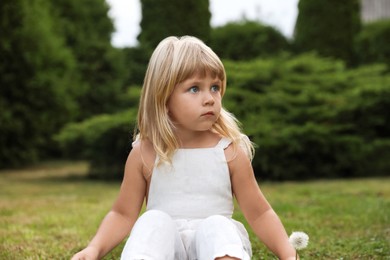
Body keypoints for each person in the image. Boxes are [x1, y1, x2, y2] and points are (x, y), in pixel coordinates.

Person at [71, 36, 297, 260]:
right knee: (152, 221)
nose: (210, 98)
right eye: (194, 89)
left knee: (217, 225)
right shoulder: (145, 152)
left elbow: (260, 213)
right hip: (168, 250)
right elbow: (122, 214)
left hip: (215, 249)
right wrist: (95, 249)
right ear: (164, 97)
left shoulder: (229, 151)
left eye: (215, 87)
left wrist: (288, 255)